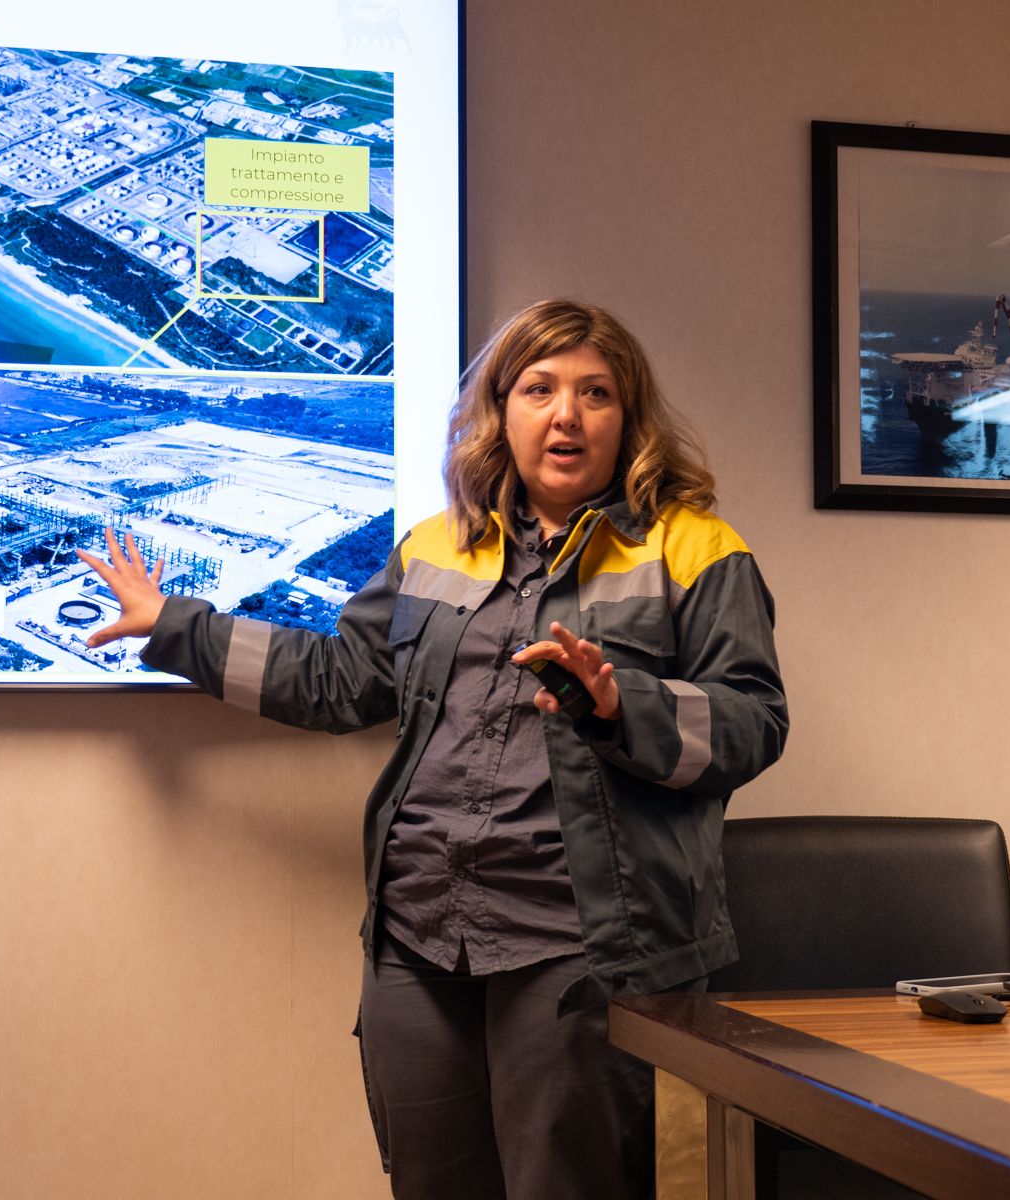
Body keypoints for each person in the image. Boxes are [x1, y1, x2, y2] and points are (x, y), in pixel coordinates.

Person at [78, 298, 787, 1199]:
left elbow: (754, 721)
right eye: (539, 388)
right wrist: (178, 629)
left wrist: (621, 706)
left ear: (629, 420)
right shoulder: (434, 545)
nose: (566, 413)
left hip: (584, 954)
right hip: (419, 940)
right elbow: (342, 681)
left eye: (595, 393)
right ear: (502, 412)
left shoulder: (696, 550)